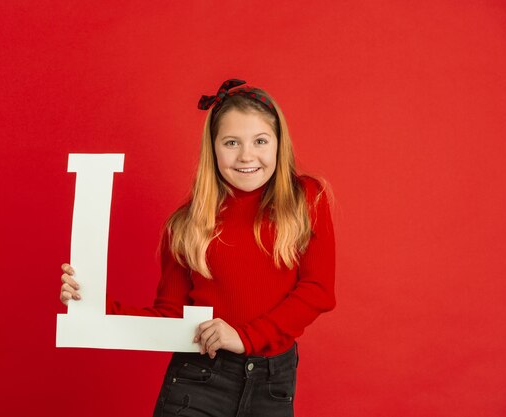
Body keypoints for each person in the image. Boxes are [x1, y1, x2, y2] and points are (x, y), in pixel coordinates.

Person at [59, 78, 336, 417]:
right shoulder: (186, 224)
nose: (247, 155)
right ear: (213, 148)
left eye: (260, 141)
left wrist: (246, 337)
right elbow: (171, 317)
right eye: (231, 142)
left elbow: (318, 290)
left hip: (271, 385)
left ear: (279, 144)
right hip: (200, 378)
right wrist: (94, 304)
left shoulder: (306, 199)